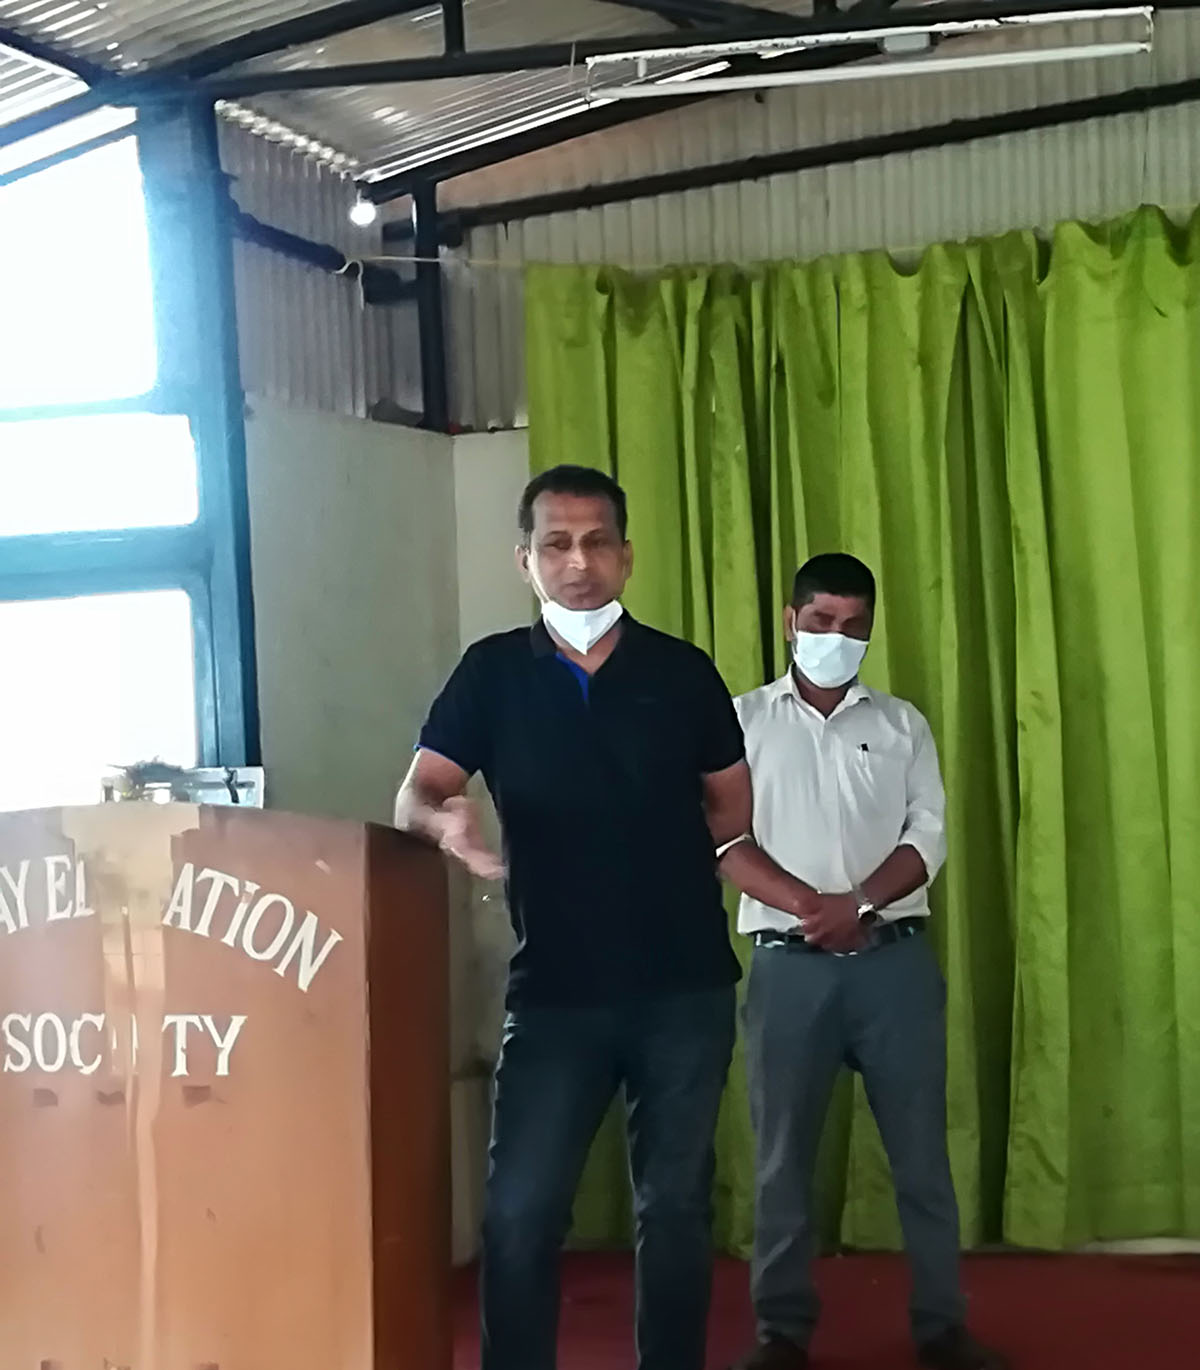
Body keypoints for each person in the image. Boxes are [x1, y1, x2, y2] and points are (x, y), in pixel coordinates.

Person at [395, 464, 753, 1370]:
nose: (579, 562)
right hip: (554, 993)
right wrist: (451, 824)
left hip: (684, 989)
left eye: (597, 542)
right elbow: (418, 795)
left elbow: (730, 813)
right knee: (519, 1212)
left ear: (627, 557)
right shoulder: (491, 674)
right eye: (557, 543)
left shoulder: (682, 673)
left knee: (674, 1209)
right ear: (526, 560)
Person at [721, 553, 1008, 1370]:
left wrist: (860, 906)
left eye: (853, 628)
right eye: (820, 623)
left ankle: (941, 1327)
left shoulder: (901, 726)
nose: (835, 640)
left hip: (894, 965)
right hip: (788, 966)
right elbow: (723, 839)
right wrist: (813, 908)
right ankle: (781, 1333)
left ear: (870, 631)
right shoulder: (740, 724)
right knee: (782, 1162)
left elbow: (929, 835)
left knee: (922, 1156)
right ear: (790, 621)